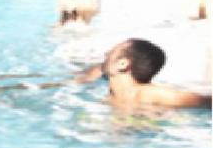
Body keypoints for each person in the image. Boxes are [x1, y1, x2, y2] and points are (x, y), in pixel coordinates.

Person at [76, 38, 212, 109]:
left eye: (112, 52)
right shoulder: (111, 96)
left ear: (122, 64)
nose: (106, 53)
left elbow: (207, 101)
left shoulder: (151, 94)